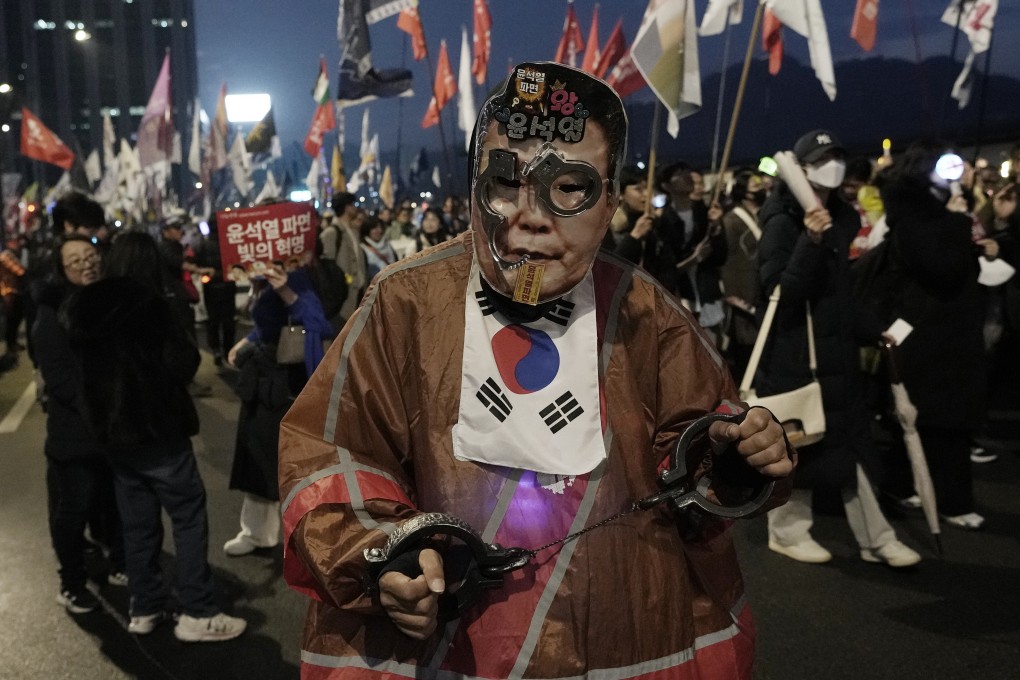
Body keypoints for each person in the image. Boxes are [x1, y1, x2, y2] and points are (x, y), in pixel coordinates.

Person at [278, 61, 794, 679]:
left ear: (608, 199)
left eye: (569, 189)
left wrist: (730, 461)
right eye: (504, 183)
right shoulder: (404, 302)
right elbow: (329, 452)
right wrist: (391, 556)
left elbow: (692, 463)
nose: (531, 216)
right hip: (453, 649)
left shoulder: (647, 311)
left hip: (621, 635)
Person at [61, 230, 246, 641]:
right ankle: (198, 611)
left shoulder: (82, 306)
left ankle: (144, 606)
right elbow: (182, 363)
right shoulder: (150, 305)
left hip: (115, 440)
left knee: (138, 524)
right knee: (188, 517)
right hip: (158, 432)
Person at [756, 129, 921, 567]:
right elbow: (778, 293)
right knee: (801, 446)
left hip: (838, 357)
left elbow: (839, 295)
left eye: (838, 157)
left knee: (856, 447)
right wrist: (809, 244)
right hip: (797, 356)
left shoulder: (840, 216)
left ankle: (877, 537)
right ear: (804, 166)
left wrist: (874, 331)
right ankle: (787, 532)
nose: (834, 166)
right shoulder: (781, 219)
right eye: (823, 157)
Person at [859, 141, 996, 529]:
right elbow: (945, 270)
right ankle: (949, 499)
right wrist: (958, 223)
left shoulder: (917, 216)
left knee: (924, 419)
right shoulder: (921, 221)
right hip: (932, 336)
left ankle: (905, 485)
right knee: (938, 420)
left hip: (933, 334)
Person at [34, 235, 125, 614]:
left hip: (114, 429)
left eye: (91, 255)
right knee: (72, 511)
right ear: (62, 271)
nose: (86, 263)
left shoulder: (113, 300)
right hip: (76, 435)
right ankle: (71, 583)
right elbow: (60, 379)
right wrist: (101, 406)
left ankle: (121, 563)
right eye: (75, 261)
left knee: (115, 505)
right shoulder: (51, 315)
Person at [223, 260, 331, 556]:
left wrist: (285, 289)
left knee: (287, 461)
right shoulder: (262, 276)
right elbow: (268, 325)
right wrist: (247, 340)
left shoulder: (297, 277)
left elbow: (316, 322)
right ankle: (258, 532)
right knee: (256, 457)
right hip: (262, 378)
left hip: (284, 384)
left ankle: (308, 537)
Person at [656, 161, 727, 344]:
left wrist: (718, 227)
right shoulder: (661, 222)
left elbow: (721, 256)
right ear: (666, 186)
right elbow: (663, 271)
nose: (686, 176)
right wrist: (693, 259)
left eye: (686, 171)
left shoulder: (706, 212)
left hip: (707, 294)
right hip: (682, 297)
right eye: (677, 174)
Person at [720, 171, 767, 377]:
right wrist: (733, 294)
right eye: (754, 184)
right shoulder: (731, 220)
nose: (759, 187)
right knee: (746, 347)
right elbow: (726, 259)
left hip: (759, 287)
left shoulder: (761, 214)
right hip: (742, 292)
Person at [191, 215, 237, 367]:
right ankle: (228, 349)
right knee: (228, 320)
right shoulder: (229, 243)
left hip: (211, 287)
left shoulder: (201, 244)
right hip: (228, 286)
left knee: (213, 321)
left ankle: (216, 350)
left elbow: (193, 262)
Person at [359, 215, 398, 280]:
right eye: (375, 228)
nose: (379, 230)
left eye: (380, 227)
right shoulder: (363, 249)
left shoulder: (387, 244)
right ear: (367, 230)